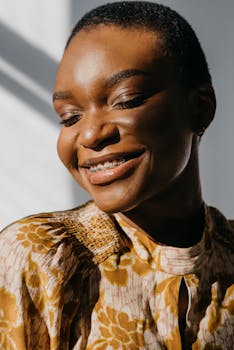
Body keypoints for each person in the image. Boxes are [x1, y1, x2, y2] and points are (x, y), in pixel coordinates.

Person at [0, 1, 233, 349]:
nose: (91, 135)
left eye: (126, 100)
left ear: (200, 107)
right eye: (69, 117)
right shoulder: (40, 258)